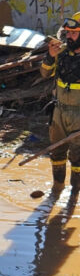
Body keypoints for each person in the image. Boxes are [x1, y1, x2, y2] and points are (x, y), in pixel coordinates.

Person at [41, 14, 80, 190]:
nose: (69, 36)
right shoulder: (61, 52)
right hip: (58, 113)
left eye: (74, 33)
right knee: (56, 153)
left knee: (78, 157)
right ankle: (57, 189)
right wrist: (50, 56)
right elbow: (44, 73)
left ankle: (75, 195)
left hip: (79, 116)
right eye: (68, 32)